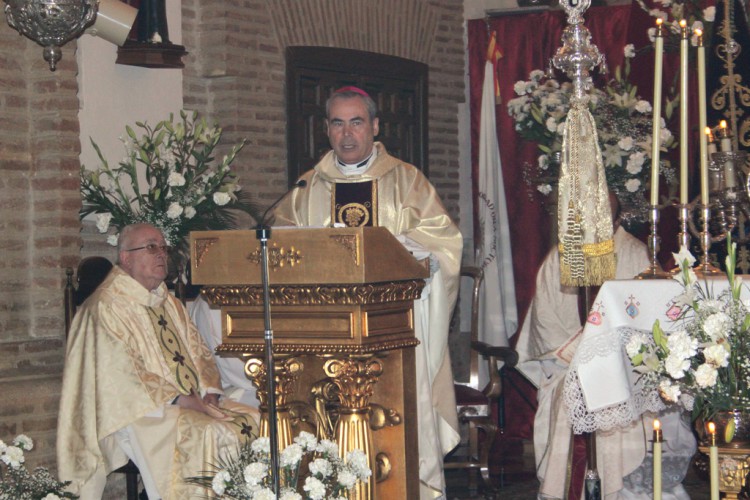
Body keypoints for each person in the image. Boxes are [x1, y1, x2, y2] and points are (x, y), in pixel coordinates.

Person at [272, 86, 464, 498]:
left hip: (395, 332)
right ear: (326, 129)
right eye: (337, 123)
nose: (346, 134)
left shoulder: (407, 181)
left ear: (375, 127)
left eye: (356, 122)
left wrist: (410, 253)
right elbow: (280, 242)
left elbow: (445, 244)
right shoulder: (308, 187)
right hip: (326, 335)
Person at [57, 223, 258, 500]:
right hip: (139, 410)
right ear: (126, 258)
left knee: (256, 418)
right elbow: (120, 374)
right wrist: (179, 399)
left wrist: (210, 391)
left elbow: (199, 352)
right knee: (210, 434)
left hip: (188, 402)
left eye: (163, 247)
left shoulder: (168, 301)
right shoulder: (106, 306)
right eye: (151, 247)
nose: (161, 254)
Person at [515, 195, 695, 499]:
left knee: (619, 397)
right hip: (568, 367)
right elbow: (545, 323)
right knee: (577, 397)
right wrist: (586, 355)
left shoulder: (637, 256)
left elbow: (648, 324)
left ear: (616, 220)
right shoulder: (560, 258)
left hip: (626, 368)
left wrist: (609, 358)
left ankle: (626, 490)